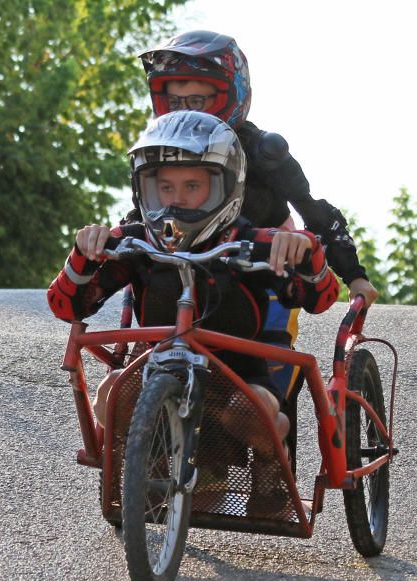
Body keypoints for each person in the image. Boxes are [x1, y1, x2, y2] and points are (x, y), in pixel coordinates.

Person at [48, 110, 340, 511]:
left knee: (247, 412)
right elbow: (67, 307)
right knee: (111, 394)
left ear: (224, 187)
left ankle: (272, 462)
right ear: (144, 188)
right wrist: (83, 254)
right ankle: (148, 458)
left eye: (192, 186)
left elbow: (321, 299)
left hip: (242, 370)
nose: (176, 199)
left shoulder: (253, 240)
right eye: (164, 186)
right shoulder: (136, 241)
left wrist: (306, 250)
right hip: (159, 364)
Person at [138, 30, 379, 308]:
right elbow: (139, 216)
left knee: (271, 346)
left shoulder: (264, 150)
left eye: (196, 101)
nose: (186, 112)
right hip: (178, 270)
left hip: (263, 277)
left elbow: (313, 212)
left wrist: (354, 276)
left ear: (233, 94)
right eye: (176, 102)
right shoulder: (157, 155)